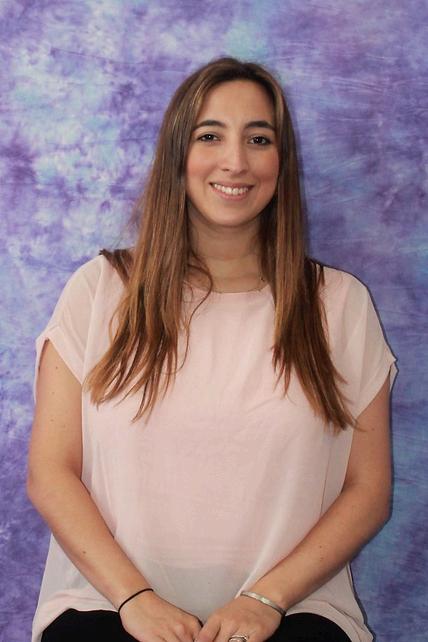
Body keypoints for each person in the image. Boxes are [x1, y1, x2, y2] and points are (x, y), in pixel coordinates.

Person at [27, 57, 396, 642]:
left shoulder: (340, 304)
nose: (236, 161)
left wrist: (265, 601)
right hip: (108, 607)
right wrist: (136, 600)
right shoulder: (99, 291)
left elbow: (368, 491)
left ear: (282, 161)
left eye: (259, 139)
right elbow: (51, 473)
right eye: (210, 136)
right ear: (178, 154)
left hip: (294, 612)